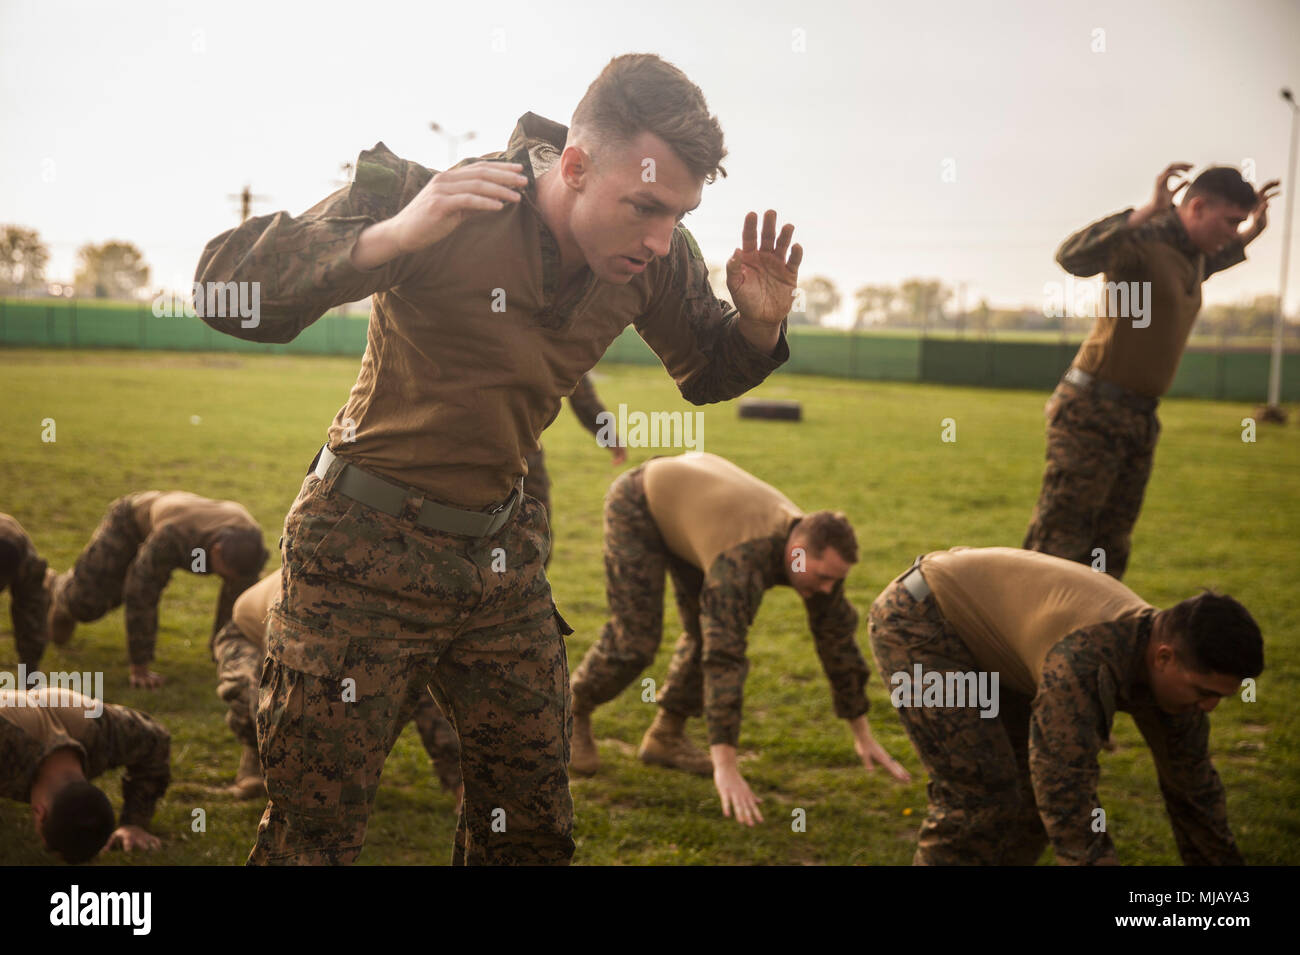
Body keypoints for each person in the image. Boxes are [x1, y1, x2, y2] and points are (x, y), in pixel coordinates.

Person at [194, 53, 800, 865]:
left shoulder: (653, 257)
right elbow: (223, 289)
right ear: (577, 167)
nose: (662, 239)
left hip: (498, 559)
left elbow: (706, 370)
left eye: (679, 213)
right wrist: (389, 237)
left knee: (532, 831)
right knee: (315, 837)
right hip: (360, 547)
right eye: (647, 207)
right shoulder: (435, 196)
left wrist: (758, 327)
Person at [570, 452, 909, 825]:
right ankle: (572, 711)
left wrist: (861, 732)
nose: (829, 588)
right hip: (642, 501)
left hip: (699, 515)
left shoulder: (816, 556)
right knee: (635, 640)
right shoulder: (743, 561)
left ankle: (667, 736)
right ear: (796, 557)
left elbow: (837, 642)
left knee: (702, 633)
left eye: (835, 579)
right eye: (823, 578)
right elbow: (725, 656)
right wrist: (726, 767)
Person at [869, 546, 1263, 865]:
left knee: (1028, 802)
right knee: (980, 795)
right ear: (1164, 658)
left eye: (1220, 697)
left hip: (999, 646)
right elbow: (1065, 789)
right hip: (919, 618)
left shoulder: (1174, 671)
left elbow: (1193, 793)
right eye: (1203, 692)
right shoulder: (1085, 662)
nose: (1209, 708)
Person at [1023, 164, 1279, 579]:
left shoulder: (1191, 256)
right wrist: (1144, 211)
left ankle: (1096, 638)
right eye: (1231, 221)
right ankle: (1020, 636)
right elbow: (1071, 257)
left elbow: (1203, 263)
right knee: (1060, 542)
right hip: (1092, 411)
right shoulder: (1143, 241)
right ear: (1196, 207)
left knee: (1110, 547)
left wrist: (1252, 233)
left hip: (1139, 417)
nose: (1234, 232)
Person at [212, 570, 463, 807]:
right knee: (253, 692)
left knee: (416, 686)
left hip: (332, 645)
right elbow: (280, 694)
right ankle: (259, 764)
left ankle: (459, 786)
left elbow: (422, 688)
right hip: (247, 636)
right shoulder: (297, 609)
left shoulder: (385, 609)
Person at [48, 491, 267, 687]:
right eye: (225, 572)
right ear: (217, 551)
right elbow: (141, 592)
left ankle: (222, 655)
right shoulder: (174, 536)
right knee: (85, 603)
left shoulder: (249, 544)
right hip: (131, 523)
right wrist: (139, 667)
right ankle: (55, 587)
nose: (225, 578)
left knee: (240, 589)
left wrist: (229, 659)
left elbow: (242, 602)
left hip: (186, 532)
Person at [0, 686, 170, 862]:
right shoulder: (99, 735)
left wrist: (134, 822)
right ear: (39, 813)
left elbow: (156, 739)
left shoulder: (102, 732)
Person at [523, 372, 626, 567]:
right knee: (533, 540)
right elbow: (579, 383)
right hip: (520, 457)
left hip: (515, 457)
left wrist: (608, 435)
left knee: (533, 542)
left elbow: (578, 380)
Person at [0, 512, 55, 669]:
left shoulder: (27, 564)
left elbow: (31, 613)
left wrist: (29, 668)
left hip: (18, 557)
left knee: (31, 606)